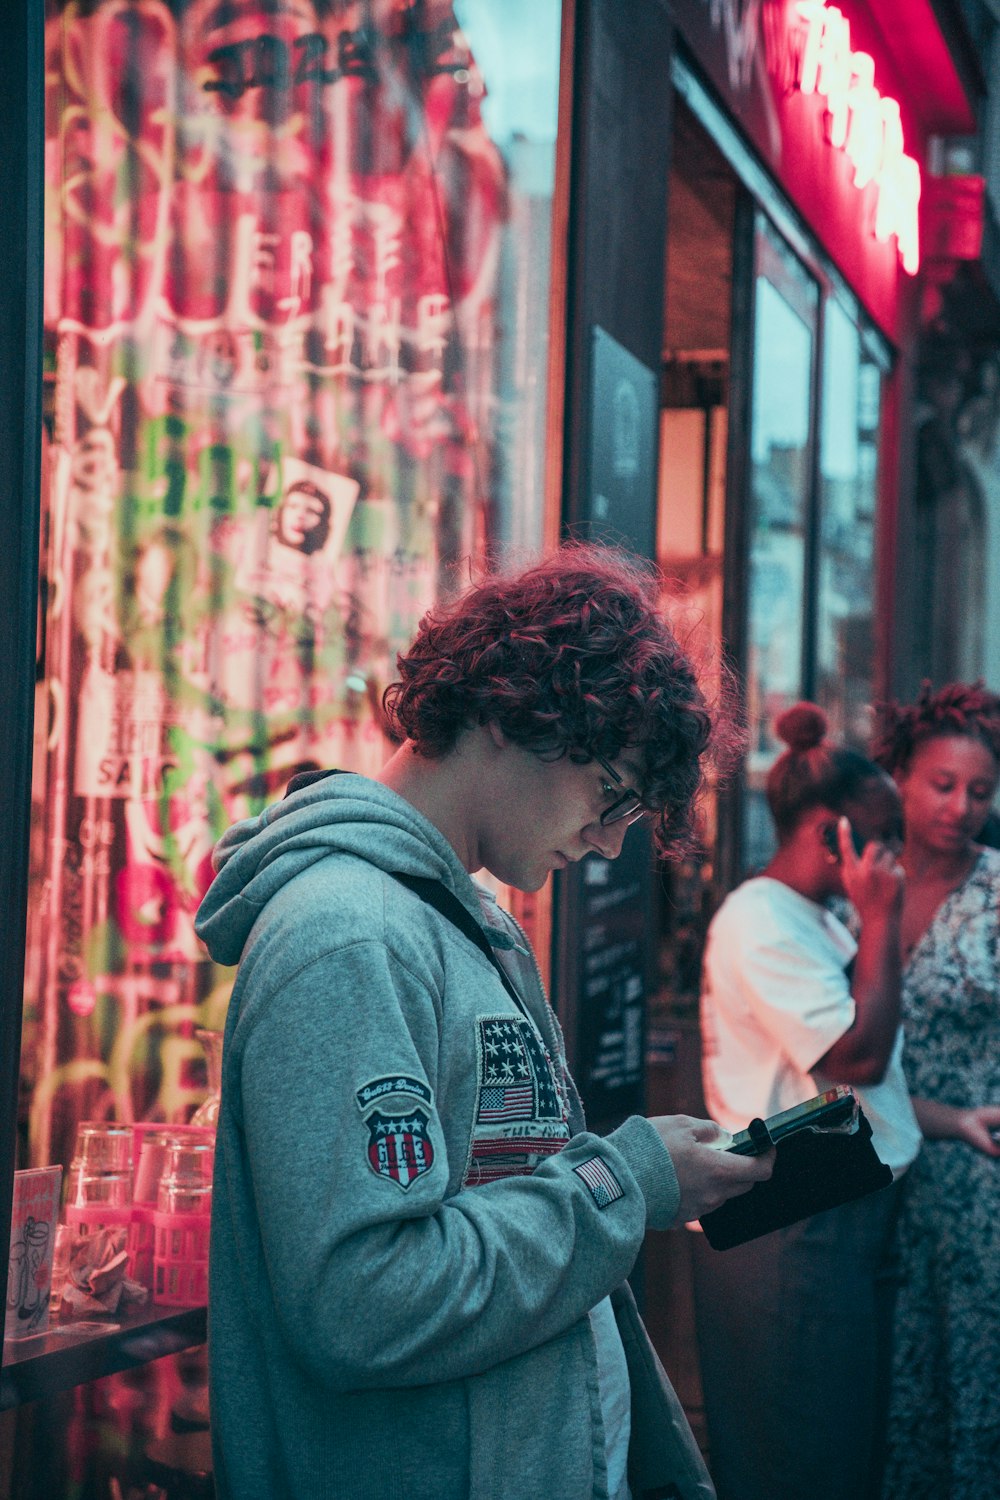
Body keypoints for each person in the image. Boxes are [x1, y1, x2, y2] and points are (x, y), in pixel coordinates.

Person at [194, 544, 773, 1500]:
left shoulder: (460, 920)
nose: (611, 839)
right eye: (613, 792)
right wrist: (625, 1182)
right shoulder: (350, 936)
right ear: (517, 716)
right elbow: (365, 1302)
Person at [691, 703, 921, 1500]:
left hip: (838, 1218)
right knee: (798, 1459)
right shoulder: (760, 922)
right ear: (832, 835)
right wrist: (886, 915)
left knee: (838, 1452)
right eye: (884, 835)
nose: (897, 853)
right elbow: (858, 1055)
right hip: (793, 1232)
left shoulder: (814, 917)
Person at [872, 681, 1000, 1500]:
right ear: (902, 779)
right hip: (873, 1163)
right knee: (890, 1376)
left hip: (978, 1174)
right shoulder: (856, 878)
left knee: (976, 1376)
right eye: (943, 784)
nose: (961, 807)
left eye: (981, 791)